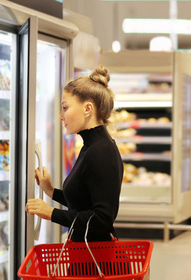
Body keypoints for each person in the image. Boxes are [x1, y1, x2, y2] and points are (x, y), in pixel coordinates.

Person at [25, 66, 123, 242]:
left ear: (87, 109)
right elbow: (84, 202)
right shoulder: (91, 146)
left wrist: (52, 213)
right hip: (86, 257)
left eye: (65, 108)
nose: (61, 116)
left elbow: (102, 219)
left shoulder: (101, 151)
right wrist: (51, 191)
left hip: (97, 263)